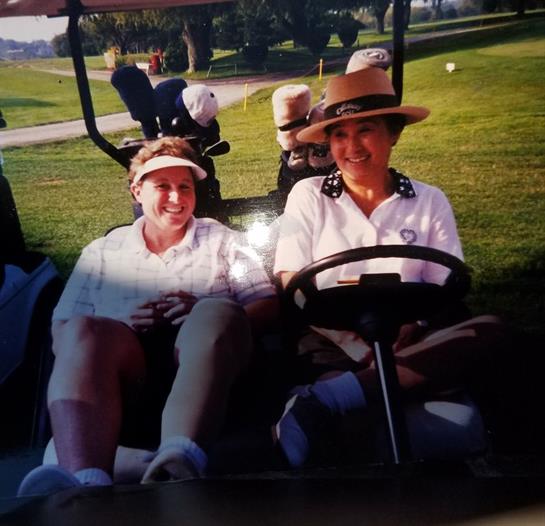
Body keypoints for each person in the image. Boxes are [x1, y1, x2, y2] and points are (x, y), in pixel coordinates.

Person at [18, 136, 278, 495]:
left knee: (213, 311)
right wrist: (118, 321)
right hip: (128, 385)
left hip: (211, 371)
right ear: (137, 191)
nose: (176, 197)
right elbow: (61, 331)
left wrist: (201, 307)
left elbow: (266, 303)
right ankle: (87, 485)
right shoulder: (103, 252)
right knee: (83, 329)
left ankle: (177, 459)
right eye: (163, 186)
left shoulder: (223, 241)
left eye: (184, 187)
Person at [273, 65, 503, 467]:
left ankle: (325, 402)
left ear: (393, 133)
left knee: (491, 329)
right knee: (353, 428)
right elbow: (292, 282)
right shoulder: (308, 195)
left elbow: (443, 289)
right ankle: (342, 398)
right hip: (333, 345)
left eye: (366, 130)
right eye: (340, 134)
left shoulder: (429, 200)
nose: (352, 146)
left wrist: (407, 333)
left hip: (413, 342)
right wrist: (358, 344)